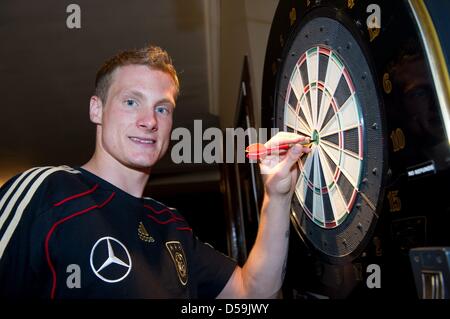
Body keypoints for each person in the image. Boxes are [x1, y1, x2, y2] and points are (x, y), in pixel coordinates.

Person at [0, 45, 310, 298]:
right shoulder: (47, 191)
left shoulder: (171, 225)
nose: (149, 121)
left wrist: (277, 195)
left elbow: (252, 294)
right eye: (132, 102)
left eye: (162, 108)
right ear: (97, 109)